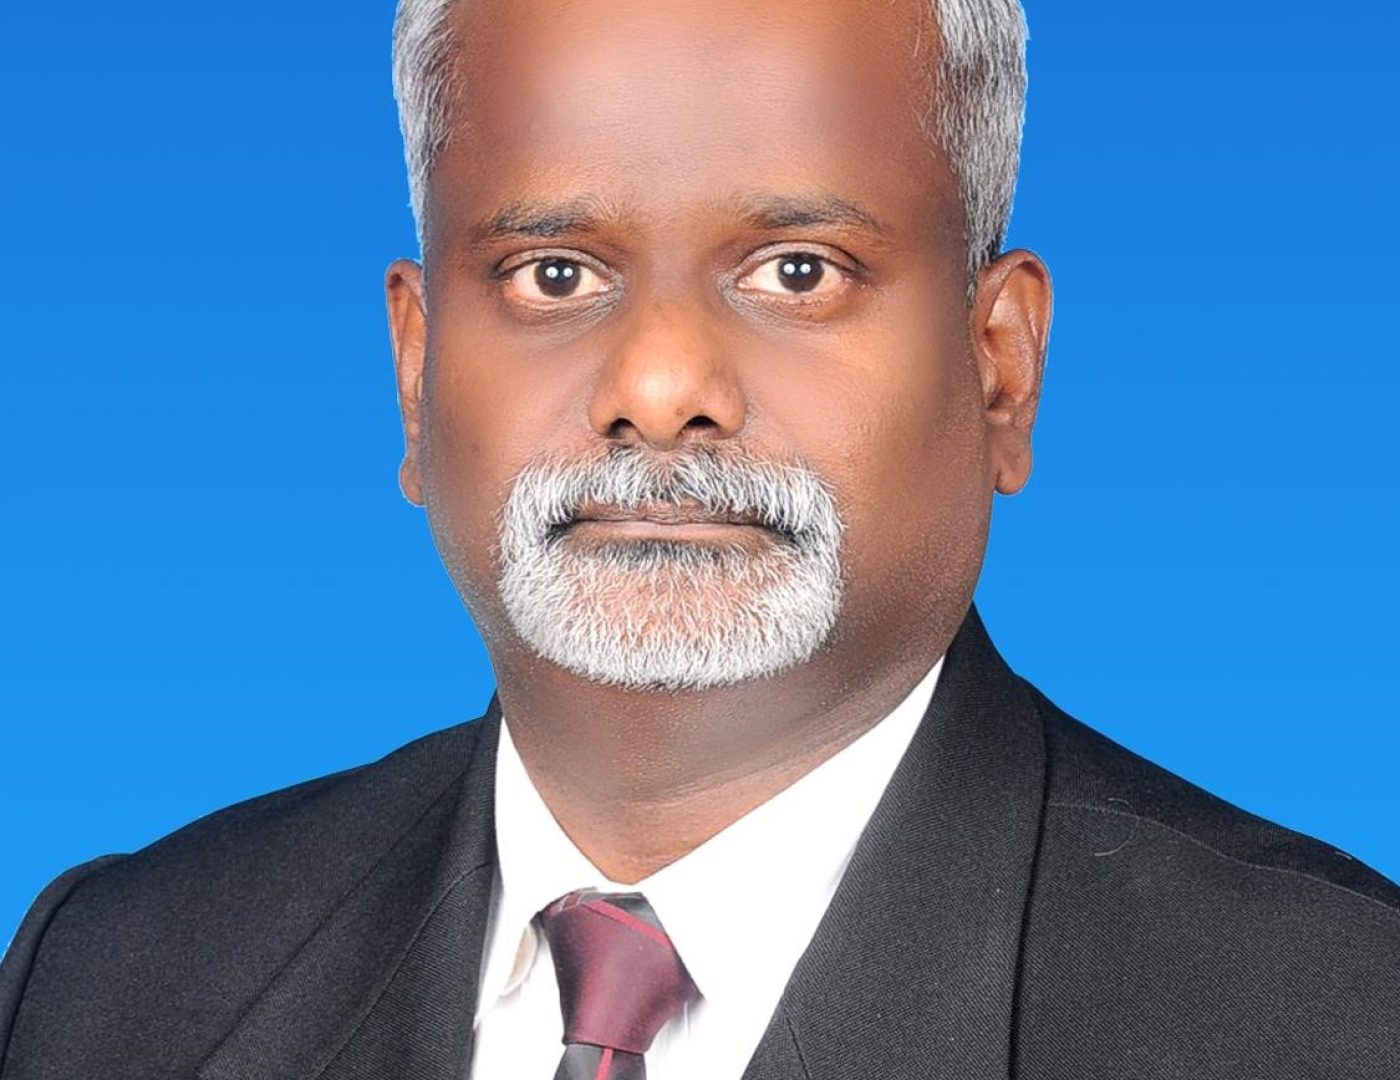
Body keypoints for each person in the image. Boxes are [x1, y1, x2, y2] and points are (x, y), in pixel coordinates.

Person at [1, 0, 1396, 1075]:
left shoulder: (1333, 1019)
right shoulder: (111, 983)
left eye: (798, 270)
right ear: (416, 375)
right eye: (555, 274)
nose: (662, 387)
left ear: (1000, 370)